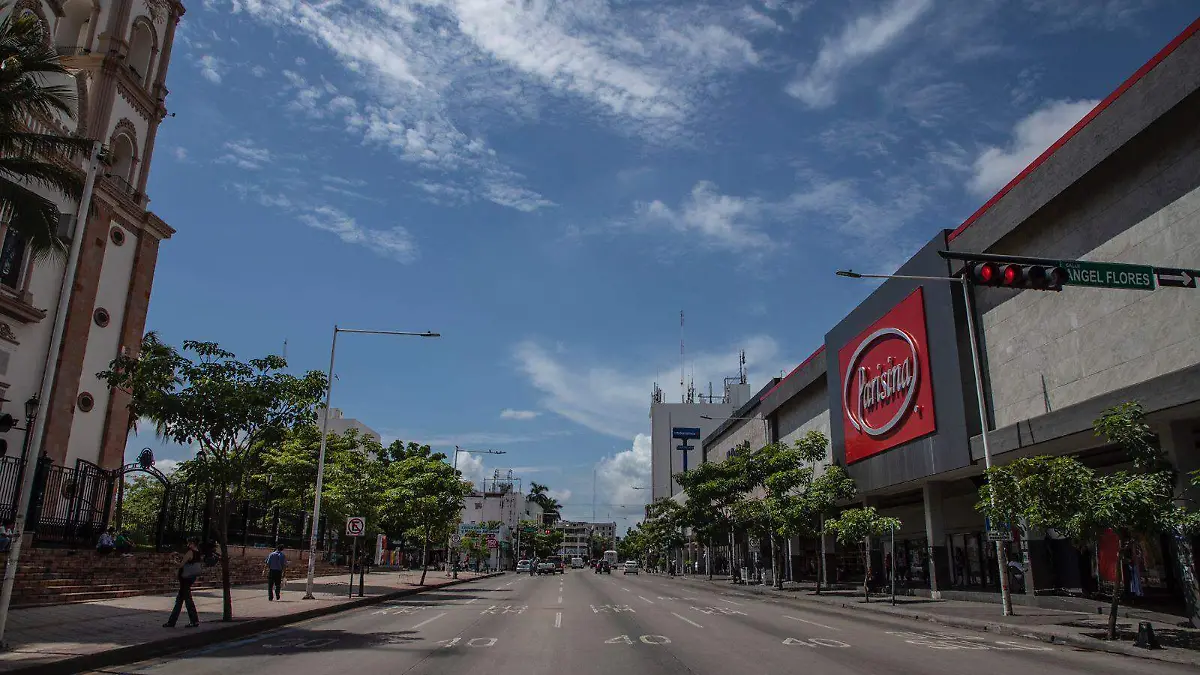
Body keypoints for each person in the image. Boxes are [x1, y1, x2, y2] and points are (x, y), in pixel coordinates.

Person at [165, 537, 201, 628]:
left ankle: (194, 621)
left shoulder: (190, 552)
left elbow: (181, 564)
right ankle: (171, 622)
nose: (188, 545)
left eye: (189, 543)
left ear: (193, 543)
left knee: (188, 600)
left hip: (185, 579)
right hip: (190, 578)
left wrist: (173, 560)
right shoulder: (198, 552)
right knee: (179, 600)